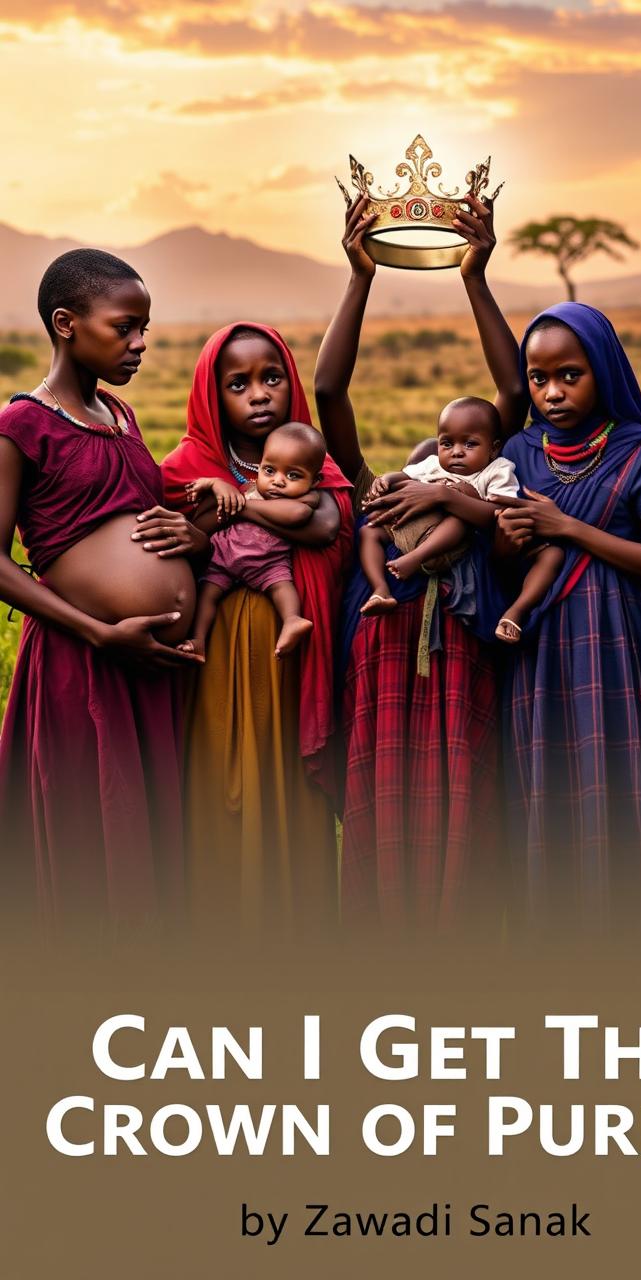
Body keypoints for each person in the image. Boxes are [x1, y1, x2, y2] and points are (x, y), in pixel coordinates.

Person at [315, 192, 527, 929]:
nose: (438, 464)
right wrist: (360, 275)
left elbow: (512, 393)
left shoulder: (481, 495)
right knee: (384, 796)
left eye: (460, 451)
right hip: (384, 640)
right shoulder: (384, 493)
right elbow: (328, 390)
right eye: (431, 455)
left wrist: (475, 275)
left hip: (457, 640)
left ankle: (461, 939)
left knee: (463, 787)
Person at [0, 249, 206, 924]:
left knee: (149, 841)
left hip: (148, 666)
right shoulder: (22, 424)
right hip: (84, 660)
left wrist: (193, 538)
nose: (141, 343)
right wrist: (100, 633)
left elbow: (136, 522)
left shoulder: (122, 417)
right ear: (66, 323)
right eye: (125, 327)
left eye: (145, 326)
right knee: (94, 839)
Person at [496, 303, 641, 934]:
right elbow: (501, 558)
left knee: (620, 782)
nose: (553, 392)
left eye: (571, 375)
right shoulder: (517, 451)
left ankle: (633, 939)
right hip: (541, 647)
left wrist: (567, 526)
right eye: (539, 377)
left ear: (603, 370)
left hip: (617, 646)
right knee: (546, 782)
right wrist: (510, 534)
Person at [161, 323, 352, 933]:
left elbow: (322, 524)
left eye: (271, 377)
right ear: (210, 395)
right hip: (215, 650)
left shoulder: (311, 459)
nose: (259, 394)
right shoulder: (186, 468)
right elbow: (165, 536)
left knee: (288, 784)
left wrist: (227, 510)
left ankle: (297, 933)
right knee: (219, 776)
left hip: (290, 650)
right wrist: (200, 527)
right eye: (237, 384)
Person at [358, 395, 563, 641]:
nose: (456, 452)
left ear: (494, 448)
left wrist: (451, 497)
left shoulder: (496, 471)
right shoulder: (433, 465)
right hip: (411, 529)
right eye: (447, 443)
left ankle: (414, 560)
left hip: (451, 542)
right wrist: (386, 481)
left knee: (459, 519)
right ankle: (380, 589)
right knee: (368, 529)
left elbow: (499, 511)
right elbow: (405, 476)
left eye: (469, 444)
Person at [180, 422, 326, 658]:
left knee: (283, 588)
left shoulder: (307, 498)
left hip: (267, 562)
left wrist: (245, 505)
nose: (278, 481)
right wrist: (213, 483)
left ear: (315, 480)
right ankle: (198, 640)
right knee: (207, 595)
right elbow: (216, 506)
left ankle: (292, 620)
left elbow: (297, 515)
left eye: (293, 475)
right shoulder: (248, 487)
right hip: (224, 557)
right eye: (269, 470)